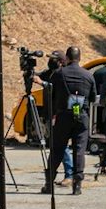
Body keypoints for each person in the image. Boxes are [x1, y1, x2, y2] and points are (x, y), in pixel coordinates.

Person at [41, 46, 95, 195]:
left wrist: (52, 112)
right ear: (80, 58)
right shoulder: (88, 75)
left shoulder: (58, 74)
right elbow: (92, 97)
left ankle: (49, 183)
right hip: (81, 116)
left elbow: (51, 95)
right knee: (79, 150)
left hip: (63, 115)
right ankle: (77, 185)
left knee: (57, 149)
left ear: (67, 58)